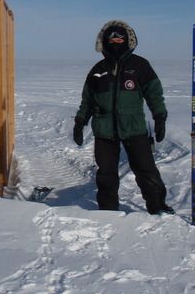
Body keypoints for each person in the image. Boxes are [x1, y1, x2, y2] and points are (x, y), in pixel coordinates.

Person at [73, 20, 174, 215]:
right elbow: (87, 100)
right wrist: (80, 122)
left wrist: (159, 117)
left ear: (128, 40)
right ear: (104, 41)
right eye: (112, 39)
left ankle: (158, 207)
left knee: (146, 170)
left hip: (134, 128)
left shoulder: (140, 65)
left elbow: (154, 93)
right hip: (104, 130)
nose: (116, 42)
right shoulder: (97, 70)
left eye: (120, 38)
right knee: (106, 176)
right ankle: (108, 213)